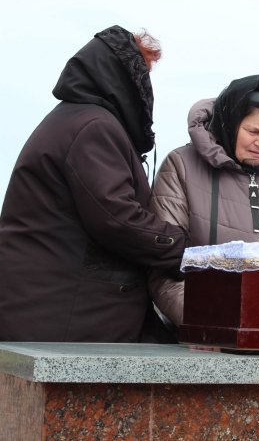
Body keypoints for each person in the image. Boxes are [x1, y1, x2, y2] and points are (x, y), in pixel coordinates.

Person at [0, 26, 188, 342]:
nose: (146, 86)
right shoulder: (94, 127)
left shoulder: (73, 119)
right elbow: (117, 218)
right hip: (68, 313)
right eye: (142, 73)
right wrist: (187, 250)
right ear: (123, 77)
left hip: (47, 305)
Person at [148, 75, 259, 327]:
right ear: (230, 125)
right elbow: (165, 268)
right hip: (210, 326)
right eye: (253, 132)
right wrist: (205, 322)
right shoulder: (182, 166)